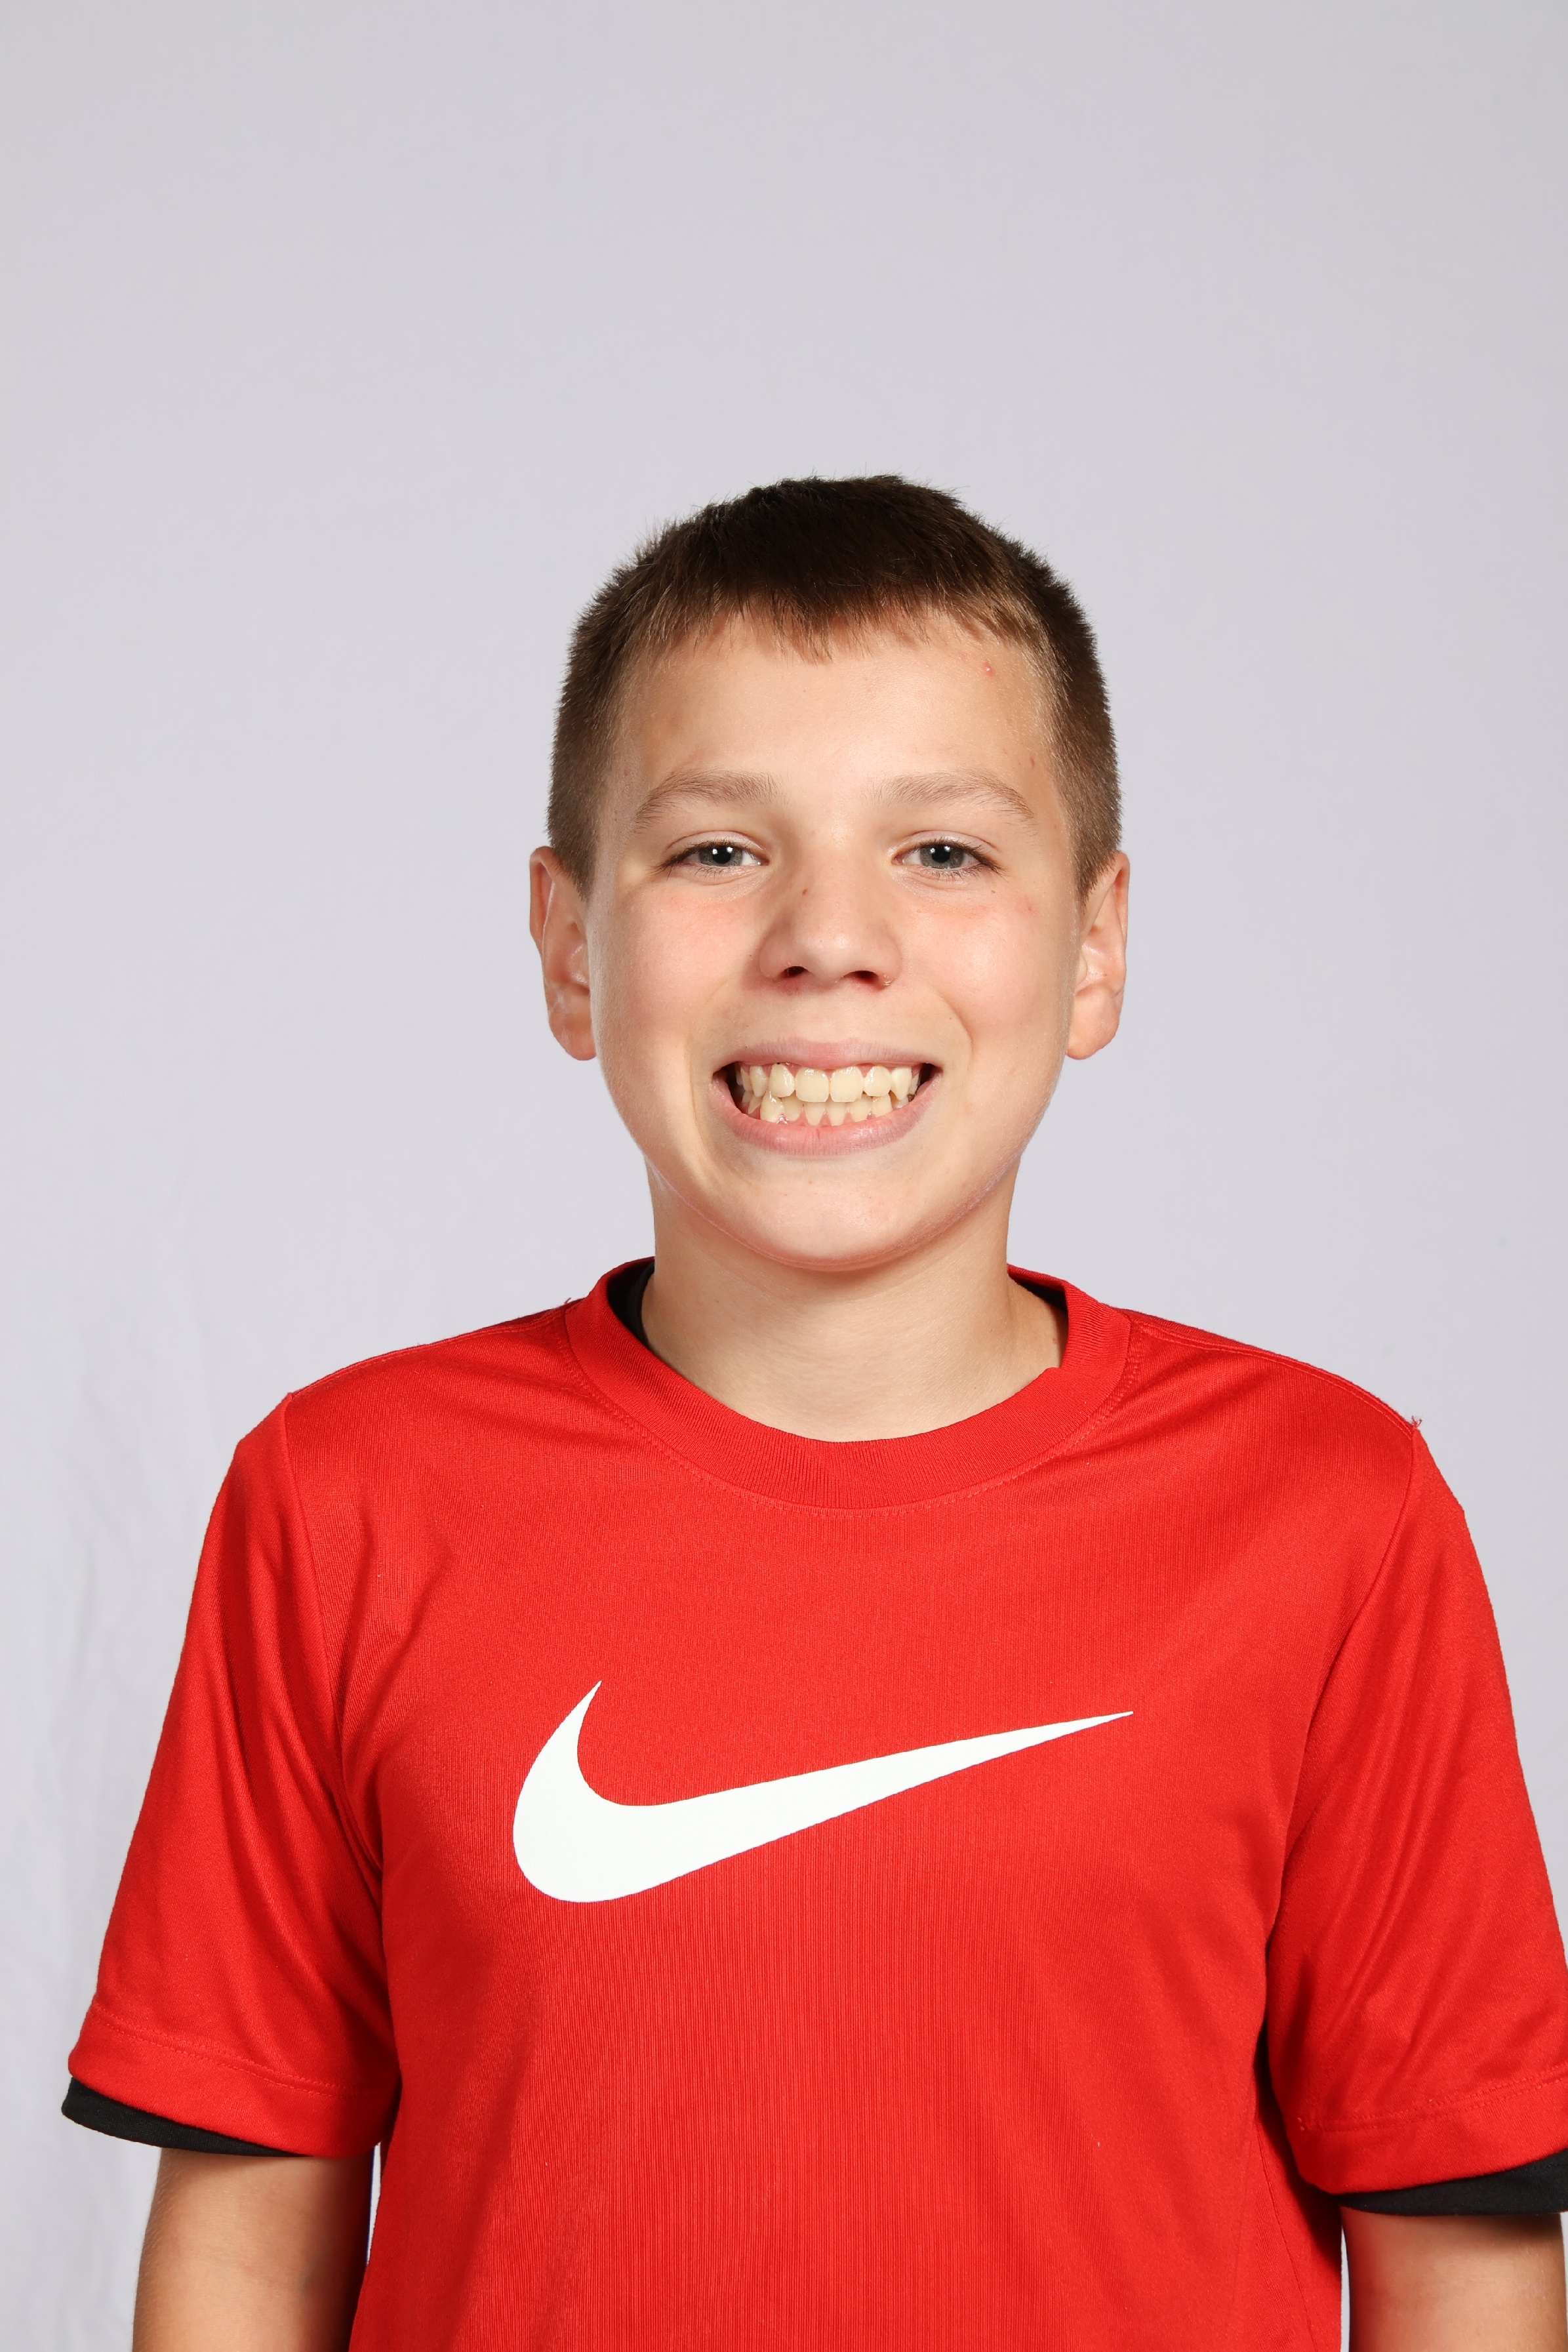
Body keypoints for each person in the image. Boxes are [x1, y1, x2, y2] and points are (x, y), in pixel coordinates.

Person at [65, 477, 1568, 2349]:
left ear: (1097, 943)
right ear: (569, 945)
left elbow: (1461, 2254)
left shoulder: (1330, 1512)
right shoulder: (344, 1498)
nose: (828, 936)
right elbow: (245, 2248)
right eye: (717, 850)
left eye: (942, 850)